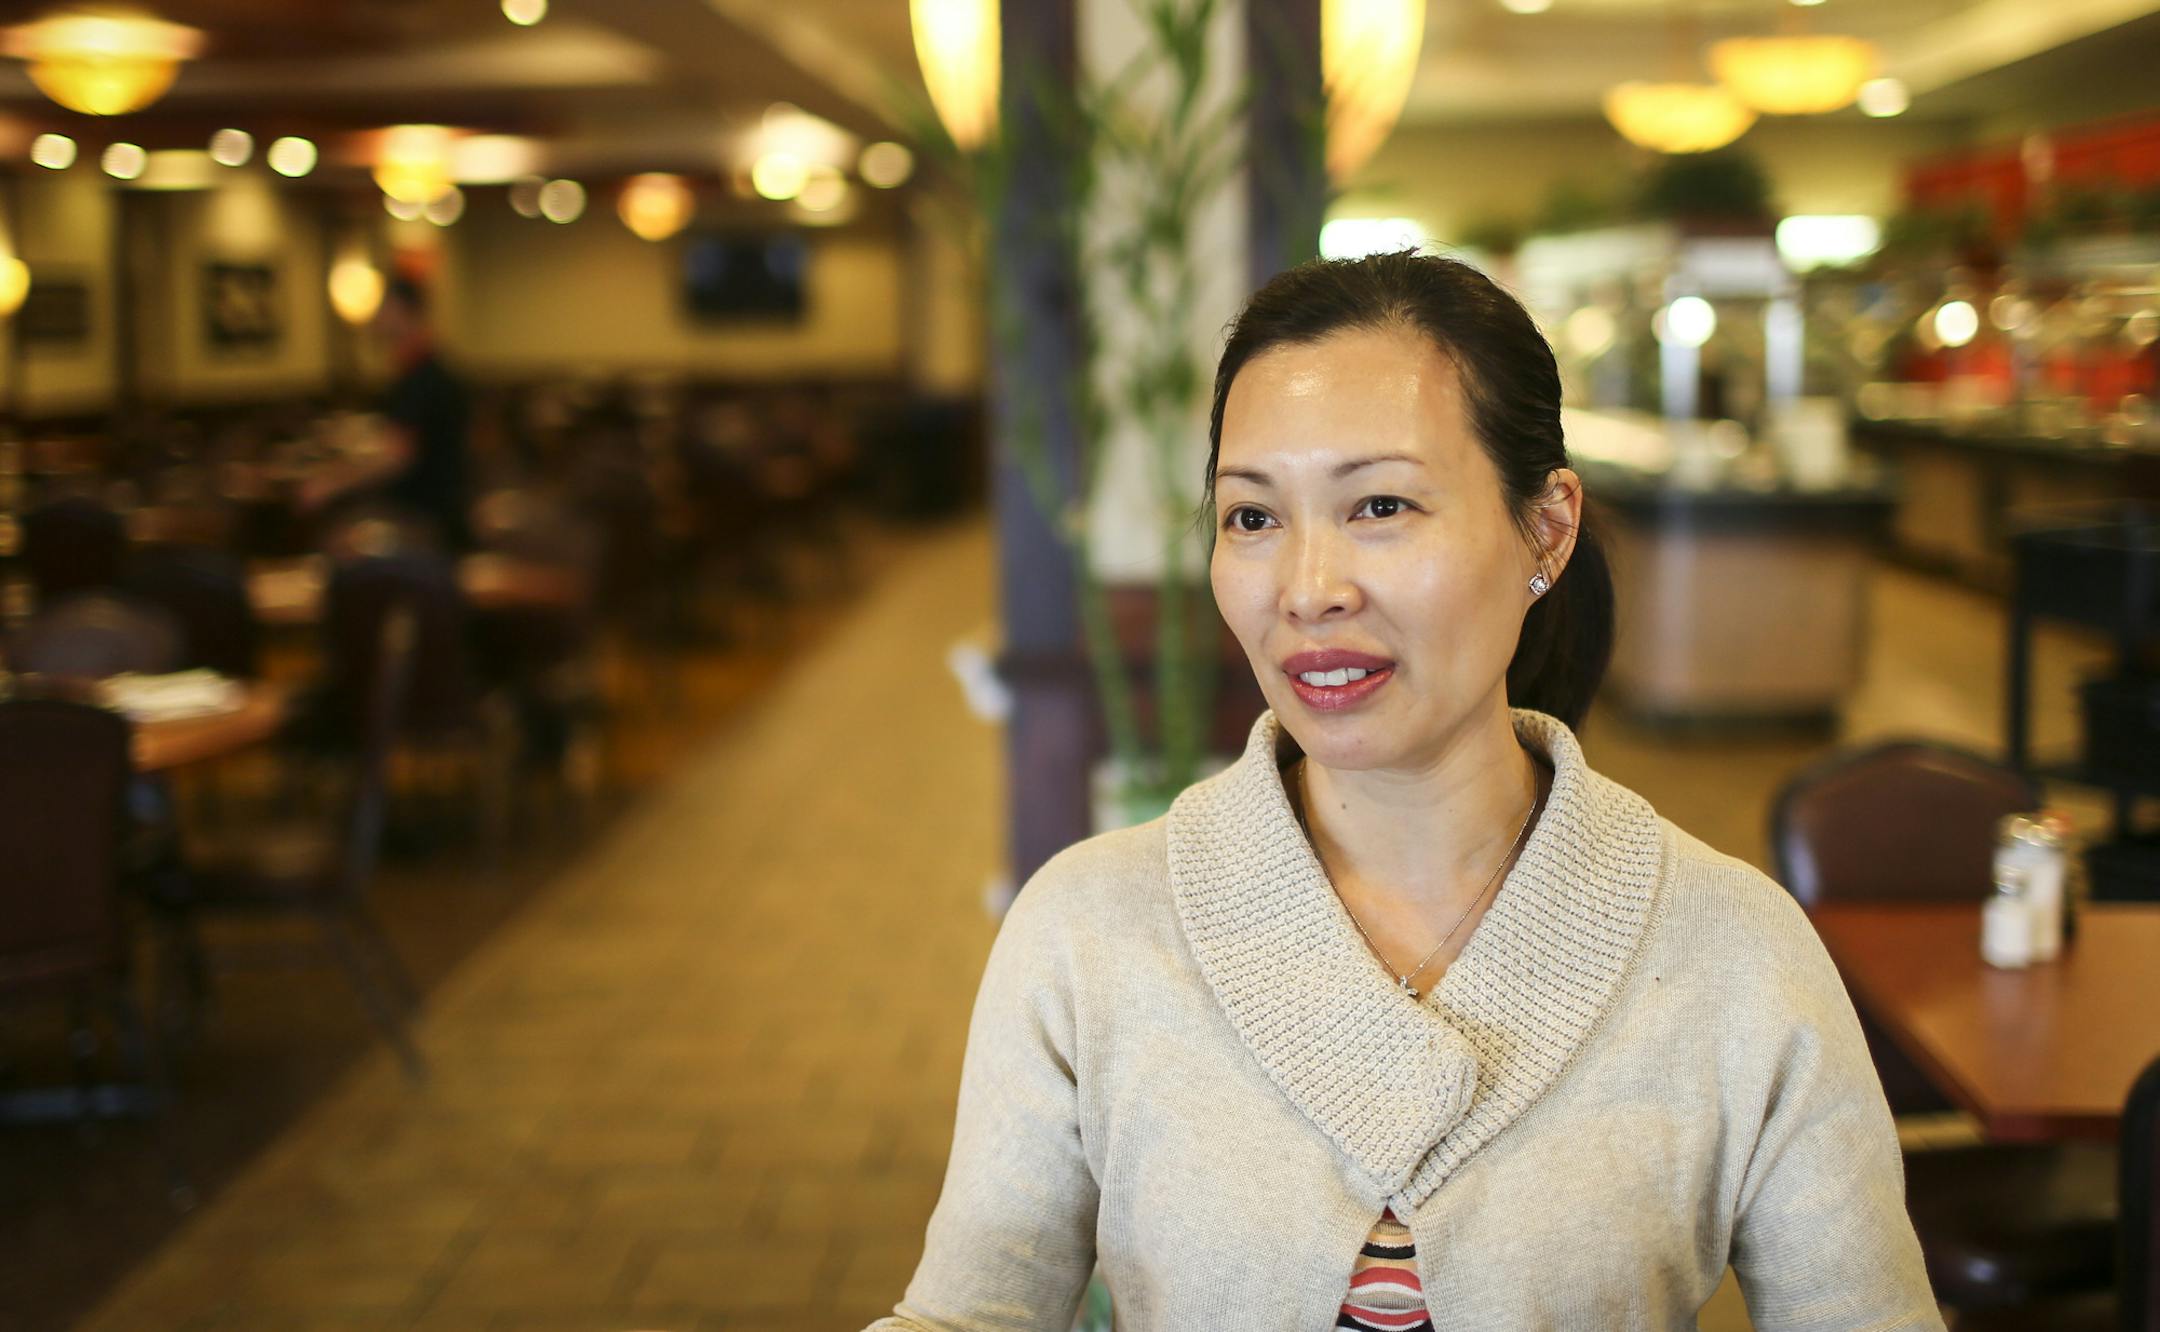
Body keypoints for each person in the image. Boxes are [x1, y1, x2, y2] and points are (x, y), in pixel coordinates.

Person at [872, 252, 1944, 1330]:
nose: (1307, 590)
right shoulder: (1087, 928)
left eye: (1379, 504)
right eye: (1252, 517)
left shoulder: (1736, 953)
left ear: (1548, 529)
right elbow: (970, 1312)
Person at [299, 275, 473, 550]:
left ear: (400, 310)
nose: (376, 318)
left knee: (341, 544)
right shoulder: (426, 370)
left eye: (381, 308)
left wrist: (331, 483)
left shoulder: (422, 377)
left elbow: (397, 456)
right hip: (430, 514)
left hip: (426, 522)